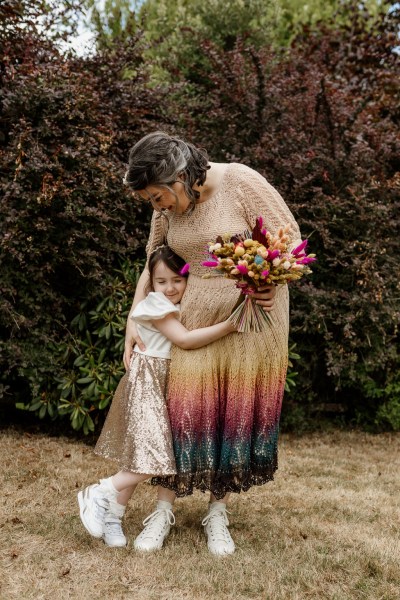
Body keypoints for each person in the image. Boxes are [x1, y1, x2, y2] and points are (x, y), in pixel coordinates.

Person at [121, 131, 303, 556]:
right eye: (151, 201)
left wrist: (270, 283)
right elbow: (153, 260)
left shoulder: (240, 181)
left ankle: (217, 511)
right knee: (181, 408)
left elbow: (289, 239)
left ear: (180, 176)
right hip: (194, 317)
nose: (158, 206)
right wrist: (134, 318)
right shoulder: (165, 209)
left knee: (231, 407)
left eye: (159, 197)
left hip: (252, 318)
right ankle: (163, 509)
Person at [78, 245, 237, 548]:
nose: (170, 288)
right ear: (150, 282)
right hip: (149, 382)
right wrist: (230, 326)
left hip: (164, 382)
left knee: (137, 455)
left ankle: (112, 516)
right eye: (161, 281)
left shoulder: (170, 302)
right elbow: (185, 340)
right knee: (153, 459)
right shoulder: (155, 305)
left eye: (177, 280)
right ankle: (99, 492)